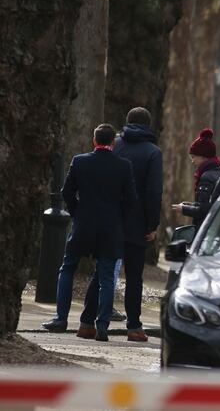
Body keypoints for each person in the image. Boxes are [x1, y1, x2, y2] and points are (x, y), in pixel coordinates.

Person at [42, 124, 136, 342]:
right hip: (110, 228)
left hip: (84, 225)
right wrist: (117, 218)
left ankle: (61, 318)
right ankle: (101, 325)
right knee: (106, 277)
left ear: (94, 141)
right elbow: (131, 199)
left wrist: (78, 213)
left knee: (67, 268)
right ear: (113, 142)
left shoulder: (80, 161)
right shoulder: (124, 166)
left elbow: (67, 192)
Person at [77, 108, 163, 342]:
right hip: (137, 223)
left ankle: (86, 322)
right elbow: (153, 192)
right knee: (134, 277)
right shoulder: (153, 153)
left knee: (101, 273)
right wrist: (152, 224)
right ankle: (133, 327)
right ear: (148, 125)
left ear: (127, 123)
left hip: (109, 221)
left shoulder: (115, 144)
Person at [172, 128, 220, 227]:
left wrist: (184, 209)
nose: (192, 161)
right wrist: (190, 205)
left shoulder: (206, 177)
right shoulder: (219, 171)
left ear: (203, 156)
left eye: (194, 157)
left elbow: (204, 210)